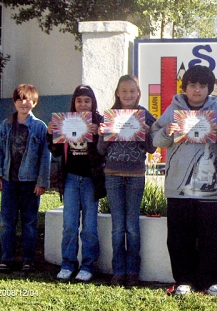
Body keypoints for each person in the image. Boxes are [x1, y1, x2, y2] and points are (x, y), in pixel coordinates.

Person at [151, 65, 217, 296]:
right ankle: (184, 279)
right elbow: (157, 140)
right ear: (185, 87)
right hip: (178, 187)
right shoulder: (173, 110)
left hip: (209, 188)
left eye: (202, 86)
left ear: (209, 89)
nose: (197, 90)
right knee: (179, 237)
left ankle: (211, 280)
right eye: (193, 85)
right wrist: (167, 131)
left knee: (209, 236)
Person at [98, 75, 156, 287]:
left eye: (132, 91)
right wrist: (102, 135)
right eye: (124, 91)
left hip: (136, 176)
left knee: (131, 226)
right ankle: (118, 271)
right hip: (112, 174)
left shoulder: (145, 116)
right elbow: (100, 150)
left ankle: (132, 271)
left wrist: (149, 134)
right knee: (117, 227)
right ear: (118, 93)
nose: (128, 95)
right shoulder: (110, 116)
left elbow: (152, 149)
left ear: (138, 93)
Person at [47, 85, 106, 282]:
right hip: (70, 178)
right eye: (79, 101)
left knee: (89, 226)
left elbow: (103, 151)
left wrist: (98, 133)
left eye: (87, 101)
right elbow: (55, 151)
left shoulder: (99, 122)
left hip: (91, 179)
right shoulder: (65, 120)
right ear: (74, 102)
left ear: (92, 103)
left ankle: (88, 265)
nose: (82, 104)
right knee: (69, 224)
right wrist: (50, 133)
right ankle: (68, 263)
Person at [0, 84, 51, 273]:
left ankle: (28, 260)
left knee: (30, 222)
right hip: (9, 181)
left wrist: (42, 182)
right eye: (19, 99)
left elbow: (44, 157)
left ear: (34, 102)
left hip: (30, 184)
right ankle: (6, 258)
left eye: (27, 99)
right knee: (6, 221)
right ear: (14, 102)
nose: (23, 103)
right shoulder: (5, 125)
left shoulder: (40, 127)